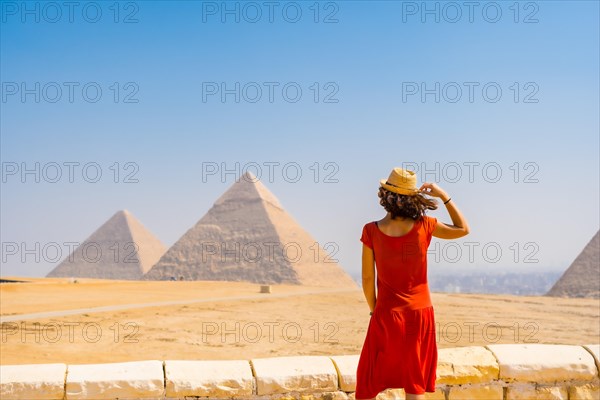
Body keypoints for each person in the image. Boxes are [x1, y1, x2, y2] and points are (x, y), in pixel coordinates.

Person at [355, 167, 470, 400]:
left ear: (385, 197)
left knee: (370, 377)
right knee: (414, 379)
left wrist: (373, 309)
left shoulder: (371, 231)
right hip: (420, 313)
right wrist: (443, 195)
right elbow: (463, 229)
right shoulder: (425, 225)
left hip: (386, 312)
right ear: (413, 198)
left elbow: (367, 279)